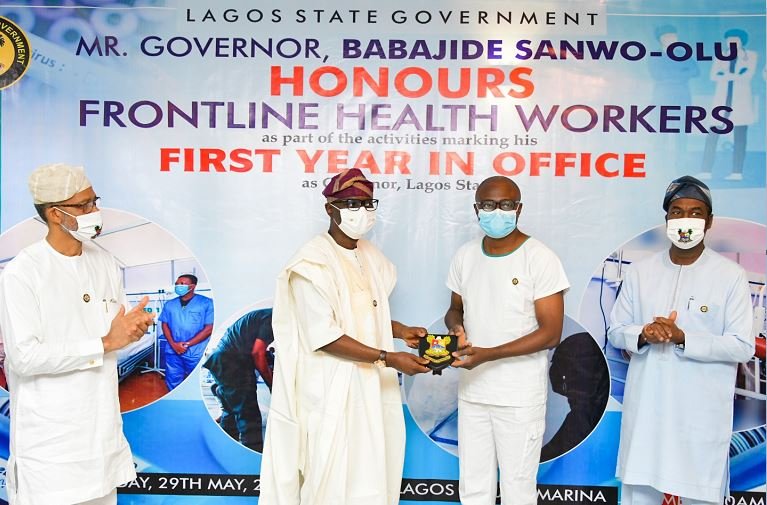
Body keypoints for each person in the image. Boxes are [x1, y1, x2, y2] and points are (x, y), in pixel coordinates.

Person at [260, 168, 430, 505]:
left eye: (367, 203)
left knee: (371, 470)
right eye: (351, 203)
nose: (361, 212)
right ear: (330, 208)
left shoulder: (370, 256)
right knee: (332, 476)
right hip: (330, 388)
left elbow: (365, 311)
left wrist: (400, 331)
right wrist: (388, 357)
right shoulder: (312, 263)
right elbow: (324, 336)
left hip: (370, 385)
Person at [0, 163, 154, 505]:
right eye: (83, 206)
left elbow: (116, 329)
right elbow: (24, 358)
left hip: (100, 442)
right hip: (51, 452)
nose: (94, 212)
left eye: (94, 202)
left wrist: (133, 328)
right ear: (55, 215)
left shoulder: (103, 261)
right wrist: (103, 343)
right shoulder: (23, 272)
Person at [608, 175, 754, 505]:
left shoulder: (729, 276)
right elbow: (616, 330)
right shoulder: (640, 272)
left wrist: (683, 337)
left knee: (698, 491)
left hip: (699, 415)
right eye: (677, 211)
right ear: (667, 219)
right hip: (647, 410)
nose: (685, 219)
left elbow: (742, 345)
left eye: (695, 212)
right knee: (639, 490)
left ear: (709, 221)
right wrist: (643, 334)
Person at [444, 176, 569, 505]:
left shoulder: (539, 258)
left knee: (517, 489)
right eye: (488, 205)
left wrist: (489, 355)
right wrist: (457, 329)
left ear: (519, 209)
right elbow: (455, 309)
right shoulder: (465, 256)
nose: (496, 212)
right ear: (476, 208)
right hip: (473, 393)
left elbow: (551, 332)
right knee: (472, 488)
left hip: (518, 398)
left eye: (505, 205)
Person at [203, 308, 275, 452]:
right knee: (248, 413)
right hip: (231, 361)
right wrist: (271, 384)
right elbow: (257, 353)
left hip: (223, 360)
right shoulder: (273, 318)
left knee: (231, 410)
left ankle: (226, 450)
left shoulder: (263, 316)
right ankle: (253, 455)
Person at [699, 29, 758, 181]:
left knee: (740, 138)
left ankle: (737, 172)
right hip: (722, 102)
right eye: (729, 40)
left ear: (741, 42)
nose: (731, 43)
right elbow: (713, 76)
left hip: (740, 102)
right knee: (712, 136)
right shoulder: (721, 56)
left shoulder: (751, 55)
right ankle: (706, 170)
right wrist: (734, 76)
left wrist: (725, 75)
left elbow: (747, 76)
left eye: (735, 40)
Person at [159, 274, 214, 391]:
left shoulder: (206, 303)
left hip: (195, 351)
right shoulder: (169, 304)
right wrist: (174, 345)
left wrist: (187, 344)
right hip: (173, 349)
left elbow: (209, 328)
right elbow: (164, 324)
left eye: (182, 284)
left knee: (197, 381)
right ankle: (175, 404)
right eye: (177, 284)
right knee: (173, 379)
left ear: (192, 286)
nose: (178, 286)